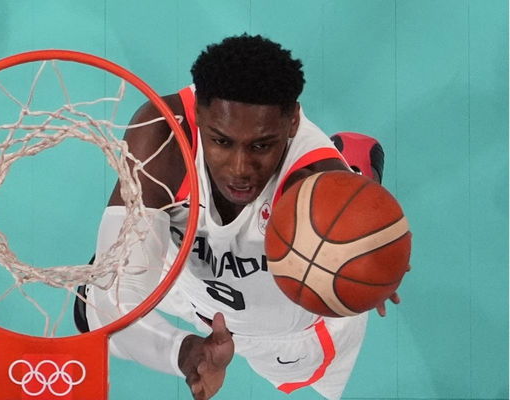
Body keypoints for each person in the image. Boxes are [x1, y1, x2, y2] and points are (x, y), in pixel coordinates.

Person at [74, 34, 398, 400]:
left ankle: (354, 188)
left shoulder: (309, 181)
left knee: (302, 376)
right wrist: (183, 353)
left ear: (292, 122)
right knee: (95, 307)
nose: (240, 169)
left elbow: (355, 266)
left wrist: (365, 258)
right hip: (189, 280)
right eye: (221, 141)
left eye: (261, 145)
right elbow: (116, 299)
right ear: (198, 113)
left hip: (284, 330)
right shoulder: (163, 133)